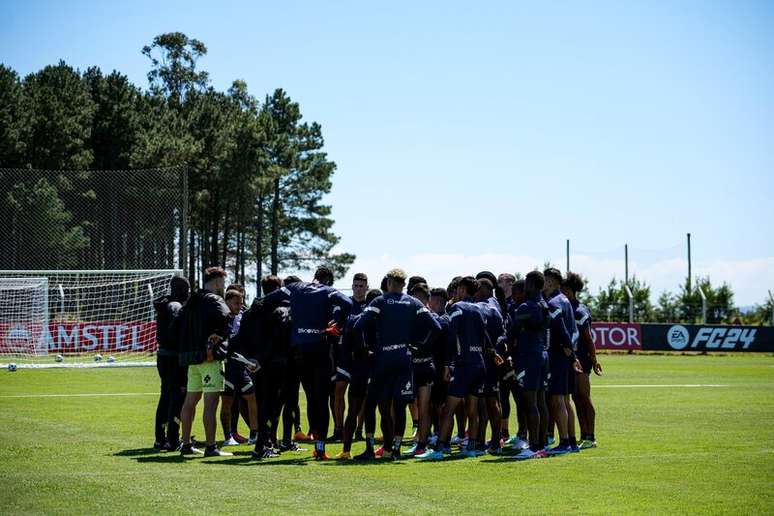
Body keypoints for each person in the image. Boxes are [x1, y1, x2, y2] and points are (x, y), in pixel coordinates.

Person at [261, 265, 353, 460]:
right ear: (328, 280)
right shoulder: (329, 291)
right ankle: (320, 449)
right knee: (321, 399)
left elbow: (268, 300)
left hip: (299, 352)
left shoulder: (295, 287)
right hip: (320, 350)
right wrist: (337, 321)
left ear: (314, 276)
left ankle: (272, 439)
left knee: (310, 398)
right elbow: (347, 303)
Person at [353, 269, 440, 460]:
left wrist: (366, 348)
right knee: (400, 406)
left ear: (390, 282)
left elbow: (358, 325)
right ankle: (396, 450)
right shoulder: (413, 302)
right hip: (404, 359)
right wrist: (418, 347)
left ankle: (375, 449)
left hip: (383, 359)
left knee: (378, 405)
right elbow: (436, 327)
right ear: (403, 283)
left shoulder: (380, 301)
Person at [418, 276, 489, 460]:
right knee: (472, 410)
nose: (456, 293)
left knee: (449, 409)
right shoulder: (481, 310)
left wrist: (448, 364)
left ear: (463, 290)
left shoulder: (458, 308)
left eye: (457, 290)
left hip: (463, 365)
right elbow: (484, 337)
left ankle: (441, 449)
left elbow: (452, 336)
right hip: (479, 364)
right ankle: (471, 447)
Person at [178, 266, 232, 457]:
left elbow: (178, 322)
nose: (223, 287)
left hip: (192, 361)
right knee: (211, 404)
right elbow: (227, 318)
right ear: (217, 282)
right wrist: (215, 340)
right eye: (223, 283)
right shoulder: (215, 300)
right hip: (209, 359)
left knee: (190, 402)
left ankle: (185, 444)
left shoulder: (191, 300)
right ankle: (211, 446)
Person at [509, 271, 551, 460]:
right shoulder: (544, 304)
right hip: (542, 355)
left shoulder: (526, 306)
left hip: (529, 357)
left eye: (526, 282)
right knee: (541, 402)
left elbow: (512, 333)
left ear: (532, 285)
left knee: (530, 402)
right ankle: (541, 445)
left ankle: (533, 447)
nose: (524, 286)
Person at [338, 287, 382, 459]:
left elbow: (345, 347)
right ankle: (371, 448)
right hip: (375, 370)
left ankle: (346, 450)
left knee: (353, 412)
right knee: (373, 411)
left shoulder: (354, 320)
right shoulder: (382, 321)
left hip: (358, 370)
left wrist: (349, 367)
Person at [543, 267, 581, 456]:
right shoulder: (566, 300)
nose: (543, 283)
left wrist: (567, 349)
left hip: (557, 357)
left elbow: (562, 330)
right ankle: (572, 442)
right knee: (566, 400)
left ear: (552, 282)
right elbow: (575, 331)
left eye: (545, 280)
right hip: (566, 356)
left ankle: (564, 442)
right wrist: (572, 352)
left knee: (558, 400)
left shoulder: (553, 303)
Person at [562, 272, 602, 449]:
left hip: (582, 360)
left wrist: (594, 361)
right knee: (576, 398)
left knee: (584, 397)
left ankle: (591, 436)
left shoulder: (579, 310)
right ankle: (583, 434)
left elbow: (588, 338)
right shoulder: (566, 307)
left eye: (562, 288)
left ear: (569, 290)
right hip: (570, 359)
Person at [330, 273, 369, 442]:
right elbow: (335, 324)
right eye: (356, 285)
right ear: (352, 286)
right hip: (344, 354)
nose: (359, 289)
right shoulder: (344, 303)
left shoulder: (372, 304)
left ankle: (358, 429)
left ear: (367, 287)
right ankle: (339, 429)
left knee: (362, 395)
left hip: (363, 356)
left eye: (362, 286)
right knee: (338, 391)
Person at [153, 275, 190, 451]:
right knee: (177, 396)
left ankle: (160, 438)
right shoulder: (176, 306)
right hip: (174, 357)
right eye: (187, 290)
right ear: (183, 290)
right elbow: (178, 332)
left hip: (163, 356)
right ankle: (173, 439)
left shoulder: (165, 305)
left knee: (165, 396)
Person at [219, 288, 259, 447]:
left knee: (252, 397)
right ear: (227, 302)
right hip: (226, 368)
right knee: (227, 403)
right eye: (236, 303)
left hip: (241, 367)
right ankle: (228, 436)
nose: (239, 306)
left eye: (241, 303)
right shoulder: (221, 318)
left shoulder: (243, 317)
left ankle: (254, 434)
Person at [474, 277, 505, 455]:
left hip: (487, 358)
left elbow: (484, 332)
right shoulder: (496, 304)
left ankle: (492, 440)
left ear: (484, 289)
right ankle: (489, 439)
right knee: (490, 400)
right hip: (494, 357)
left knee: (488, 401)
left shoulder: (484, 306)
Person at [502, 279, 529, 450]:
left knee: (524, 399)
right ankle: (520, 434)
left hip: (525, 359)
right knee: (516, 398)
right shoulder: (512, 306)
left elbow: (514, 334)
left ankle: (526, 436)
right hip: (516, 359)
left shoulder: (526, 308)